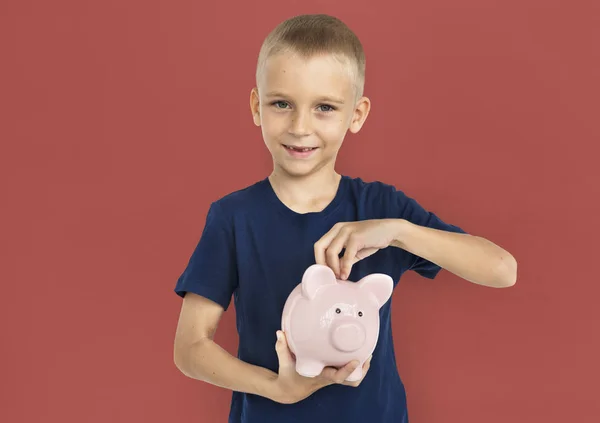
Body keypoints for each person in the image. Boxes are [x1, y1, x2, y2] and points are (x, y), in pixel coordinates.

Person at [172, 13, 517, 423]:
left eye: (325, 108)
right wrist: (276, 389)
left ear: (356, 114)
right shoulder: (233, 217)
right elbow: (190, 349)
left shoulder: (381, 209)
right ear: (256, 107)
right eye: (281, 103)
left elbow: (502, 270)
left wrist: (399, 232)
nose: (300, 127)